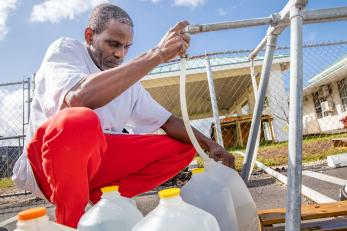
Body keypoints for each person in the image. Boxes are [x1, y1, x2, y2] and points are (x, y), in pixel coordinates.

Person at [12, 3, 235, 228]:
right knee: (80, 120)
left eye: (127, 47)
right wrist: (156, 55)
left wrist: (210, 145)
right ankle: (71, 222)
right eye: (113, 44)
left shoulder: (128, 83)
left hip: (95, 166)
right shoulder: (67, 49)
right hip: (45, 165)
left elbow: (167, 121)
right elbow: (79, 98)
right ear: (90, 36)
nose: (120, 53)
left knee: (186, 146)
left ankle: (105, 203)